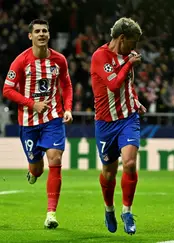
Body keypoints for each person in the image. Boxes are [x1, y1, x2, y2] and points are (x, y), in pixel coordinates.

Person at [2, 19, 73, 229]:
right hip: (29, 121)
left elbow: (66, 85)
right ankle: (32, 171)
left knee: (55, 157)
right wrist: (32, 104)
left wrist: (67, 108)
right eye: (37, 31)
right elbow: (8, 90)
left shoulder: (59, 60)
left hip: (53, 118)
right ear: (30, 36)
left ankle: (51, 213)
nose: (41, 34)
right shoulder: (20, 61)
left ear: (48, 35)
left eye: (45, 31)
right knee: (37, 169)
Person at [90, 17, 146, 235]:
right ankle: (109, 209)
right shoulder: (100, 56)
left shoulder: (126, 56)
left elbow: (127, 86)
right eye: (133, 42)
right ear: (122, 38)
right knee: (109, 172)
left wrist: (136, 101)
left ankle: (127, 211)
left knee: (130, 163)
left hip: (128, 119)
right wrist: (129, 64)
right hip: (105, 123)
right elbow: (113, 85)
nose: (135, 47)